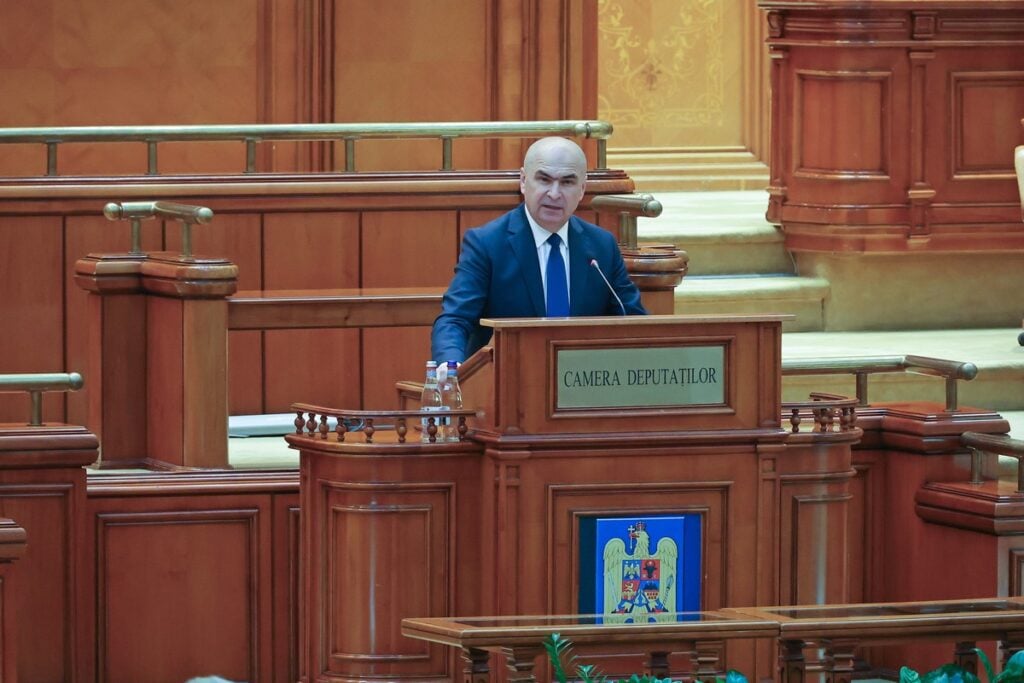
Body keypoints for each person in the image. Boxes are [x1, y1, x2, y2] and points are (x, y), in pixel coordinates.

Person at [431, 136, 647, 363]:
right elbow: (455, 320)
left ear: (582, 189)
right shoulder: (486, 244)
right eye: (544, 180)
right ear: (524, 181)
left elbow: (633, 321)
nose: (554, 193)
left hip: (583, 377)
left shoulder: (602, 246)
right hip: (509, 375)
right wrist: (450, 368)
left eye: (567, 182)